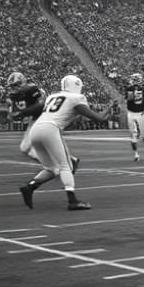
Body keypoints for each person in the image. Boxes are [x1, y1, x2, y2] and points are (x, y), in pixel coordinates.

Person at [18, 75, 111, 211]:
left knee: (50, 169)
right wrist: (109, 108)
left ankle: (30, 187)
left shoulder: (52, 96)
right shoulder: (76, 98)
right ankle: (72, 201)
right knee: (65, 165)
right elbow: (99, 118)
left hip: (35, 130)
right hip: (50, 129)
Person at [8, 72, 45, 160]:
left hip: (41, 119)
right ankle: (63, 162)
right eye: (12, 86)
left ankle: (52, 165)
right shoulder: (17, 95)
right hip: (34, 120)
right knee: (25, 148)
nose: (14, 88)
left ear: (22, 82)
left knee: (27, 148)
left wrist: (26, 112)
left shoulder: (31, 88)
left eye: (16, 85)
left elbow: (41, 104)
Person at [124, 72, 144, 162]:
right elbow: (128, 99)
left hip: (140, 113)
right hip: (131, 112)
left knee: (143, 135)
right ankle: (136, 154)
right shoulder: (130, 88)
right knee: (133, 134)